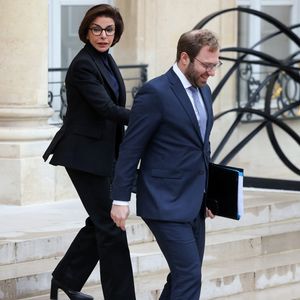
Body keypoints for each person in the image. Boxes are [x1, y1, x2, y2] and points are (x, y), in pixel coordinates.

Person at [110, 29, 220, 299]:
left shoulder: (204, 92)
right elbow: (131, 148)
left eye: (215, 65)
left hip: (194, 201)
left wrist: (211, 193)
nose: (212, 72)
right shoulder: (155, 93)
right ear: (185, 58)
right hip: (163, 201)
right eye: (207, 65)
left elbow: (202, 146)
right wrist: (120, 199)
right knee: (189, 275)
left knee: (183, 274)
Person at [43, 4, 136, 300]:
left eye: (109, 29)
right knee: (111, 225)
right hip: (83, 155)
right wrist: (147, 116)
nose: (103, 35)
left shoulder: (106, 60)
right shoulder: (84, 64)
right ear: (85, 31)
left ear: (116, 33)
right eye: (96, 29)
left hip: (104, 154)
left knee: (100, 220)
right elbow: (106, 109)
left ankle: (65, 279)